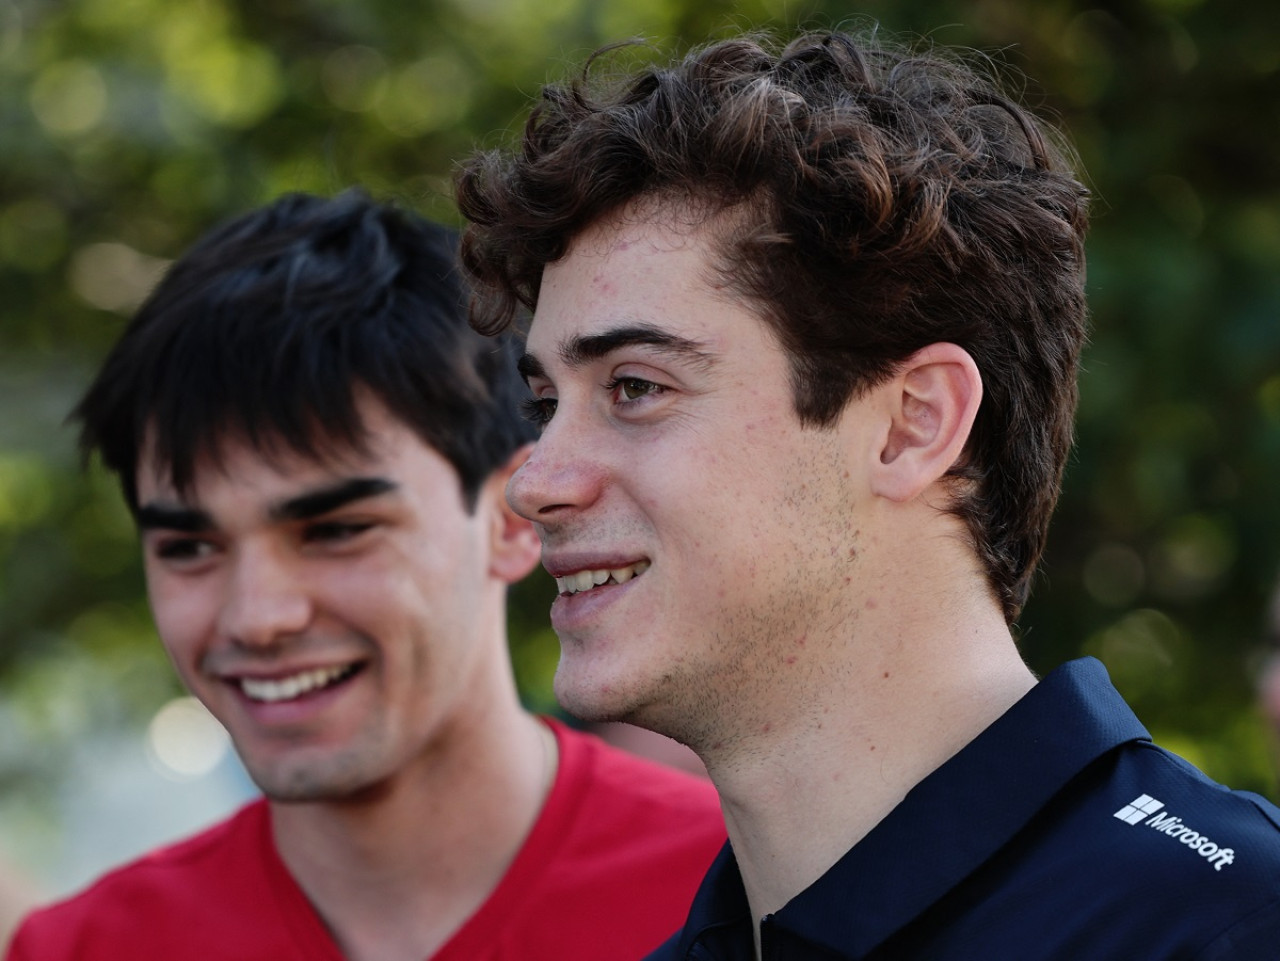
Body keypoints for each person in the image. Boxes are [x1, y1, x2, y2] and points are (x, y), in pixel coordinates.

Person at [455, 29, 1280, 960]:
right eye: (544, 404)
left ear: (912, 424)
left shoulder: (1228, 924)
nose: (536, 483)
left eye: (636, 388)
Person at [5, 191, 725, 961]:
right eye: (188, 547)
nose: (257, 616)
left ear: (512, 520)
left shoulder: (745, 898)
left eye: (338, 531)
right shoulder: (85, 947)